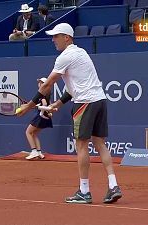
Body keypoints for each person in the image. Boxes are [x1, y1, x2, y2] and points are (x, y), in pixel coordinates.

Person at [17, 23, 122, 204]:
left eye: (56, 36)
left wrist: (28, 106)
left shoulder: (64, 57)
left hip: (85, 103)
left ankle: (84, 191)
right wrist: (57, 103)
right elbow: (72, 89)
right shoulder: (81, 53)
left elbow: (48, 84)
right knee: (100, 143)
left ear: (67, 37)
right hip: (100, 100)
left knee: (81, 146)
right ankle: (114, 186)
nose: (53, 40)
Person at [25, 78, 53, 160]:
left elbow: (44, 104)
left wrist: (38, 106)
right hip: (46, 118)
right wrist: (48, 112)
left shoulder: (42, 94)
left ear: (42, 84)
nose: (38, 84)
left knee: (28, 132)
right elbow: (49, 105)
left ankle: (34, 151)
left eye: (40, 82)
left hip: (40, 117)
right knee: (34, 134)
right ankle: (39, 152)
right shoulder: (47, 94)